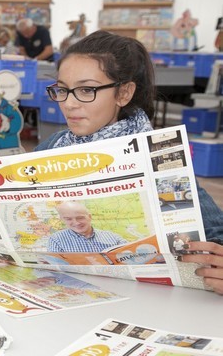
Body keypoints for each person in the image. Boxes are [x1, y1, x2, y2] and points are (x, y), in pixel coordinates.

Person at [36, 30, 223, 293]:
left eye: (86, 90)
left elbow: (216, 231)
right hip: (68, 291)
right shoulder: (54, 144)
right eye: (63, 90)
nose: (68, 103)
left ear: (123, 94)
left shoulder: (157, 155)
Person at [47, 201, 127, 253]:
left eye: (80, 217)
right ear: (62, 220)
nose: (76, 223)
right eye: (68, 219)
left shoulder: (113, 237)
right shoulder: (55, 240)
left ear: (89, 217)